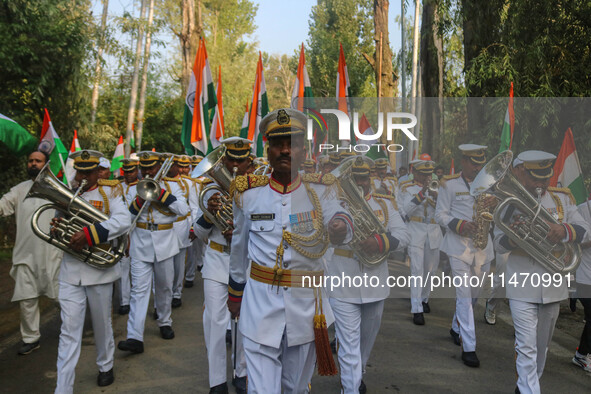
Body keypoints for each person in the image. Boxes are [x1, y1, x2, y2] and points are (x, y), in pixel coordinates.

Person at [227, 108, 353, 393]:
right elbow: (239, 247)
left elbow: (343, 217)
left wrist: (340, 227)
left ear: (304, 149)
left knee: (295, 388)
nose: (285, 150)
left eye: (293, 143)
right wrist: (235, 292)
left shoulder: (322, 191)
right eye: (278, 144)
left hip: (306, 307)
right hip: (260, 303)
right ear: (267, 149)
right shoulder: (247, 193)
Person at [493, 150, 589, 392]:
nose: (541, 184)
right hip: (522, 283)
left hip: (553, 285)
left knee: (542, 347)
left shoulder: (562, 200)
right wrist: (514, 240)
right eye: (536, 177)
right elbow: (496, 243)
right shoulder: (508, 202)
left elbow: (586, 228)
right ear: (520, 172)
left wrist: (565, 230)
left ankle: (526, 386)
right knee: (526, 347)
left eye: (545, 178)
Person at [326, 156, 408, 393]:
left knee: (365, 340)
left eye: (363, 177)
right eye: (354, 178)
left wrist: (381, 242)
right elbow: (322, 238)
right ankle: (350, 387)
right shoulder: (333, 204)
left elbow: (404, 235)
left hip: (375, 282)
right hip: (342, 280)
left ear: (370, 177)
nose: (359, 182)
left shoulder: (384, 204)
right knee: (349, 342)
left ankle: (356, 374)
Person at [53, 149, 131, 392]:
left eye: (88, 172)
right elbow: (59, 220)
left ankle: (105, 365)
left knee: (102, 323)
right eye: (79, 171)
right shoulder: (67, 192)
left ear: (98, 172)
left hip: (99, 270)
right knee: (68, 331)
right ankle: (62, 388)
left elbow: (122, 221)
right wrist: (57, 228)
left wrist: (89, 234)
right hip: (71, 270)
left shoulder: (111, 192)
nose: (83, 176)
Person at [194, 137, 252, 393]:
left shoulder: (259, 185)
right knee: (215, 322)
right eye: (232, 160)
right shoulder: (210, 189)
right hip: (218, 261)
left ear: (250, 159)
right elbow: (197, 231)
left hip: (248, 261)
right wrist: (209, 214)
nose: (236, 165)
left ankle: (242, 372)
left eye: (242, 160)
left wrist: (240, 233)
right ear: (224, 160)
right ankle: (217, 381)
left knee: (244, 321)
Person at [118, 151, 189, 354]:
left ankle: (165, 321)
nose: (148, 171)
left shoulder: (173, 185)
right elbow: (128, 216)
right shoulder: (134, 188)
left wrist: (161, 195)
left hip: (165, 242)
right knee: (138, 291)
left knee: (165, 287)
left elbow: (183, 210)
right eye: (145, 167)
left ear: (159, 166)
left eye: (152, 167)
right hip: (141, 243)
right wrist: (142, 198)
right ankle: (134, 336)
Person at [435, 144, 495, 368]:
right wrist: (459, 225)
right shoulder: (448, 185)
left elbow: (501, 213)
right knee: (464, 296)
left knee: (473, 296)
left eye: (480, 163)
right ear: (463, 162)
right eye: (473, 163)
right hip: (458, 246)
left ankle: (456, 326)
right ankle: (469, 347)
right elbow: (439, 214)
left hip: (483, 247)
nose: (477, 167)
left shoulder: (491, 185)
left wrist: (495, 203)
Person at [0, 151, 62, 355]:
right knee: (27, 300)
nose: (33, 163)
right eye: (31, 160)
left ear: (47, 165)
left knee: (61, 298)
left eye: (38, 161)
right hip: (25, 255)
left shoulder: (59, 189)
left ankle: (72, 328)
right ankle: (31, 338)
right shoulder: (19, 190)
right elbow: (3, 206)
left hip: (53, 253)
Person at [399, 160, 442, 325]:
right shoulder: (406, 188)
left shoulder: (439, 189)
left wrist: (437, 197)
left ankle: (424, 299)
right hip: (415, 231)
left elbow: (445, 211)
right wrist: (422, 194)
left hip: (433, 231)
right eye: (423, 174)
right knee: (417, 271)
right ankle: (416, 308)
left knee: (430, 271)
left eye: (428, 174)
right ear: (415, 173)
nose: (426, 177)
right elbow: (405, 211)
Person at [165, 154, 194, 309]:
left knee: (179, 264)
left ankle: (177, 293)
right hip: (164, 229)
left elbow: (194, 207)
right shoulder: (160, 182)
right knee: (164, 265)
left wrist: (193, 226)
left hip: (182, 225)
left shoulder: (189, 183)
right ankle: (164, 297)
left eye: (183, 166)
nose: (180, 169)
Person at [117, 158, 140, 315]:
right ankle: (124, 301)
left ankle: (137, 299)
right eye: (126, 171)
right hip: (121, 231)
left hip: (138, 231)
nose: (128, 174)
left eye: (131, 171)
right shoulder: (117, 187)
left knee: (137, 269)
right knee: (123, 267)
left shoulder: (141, 187)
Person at [572, 197, 591, 373]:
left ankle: (582, 354)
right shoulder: (581, 210)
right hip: (584, 276)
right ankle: (582, 355)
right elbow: (573, 243)